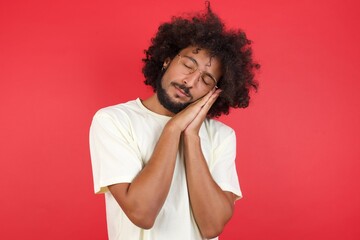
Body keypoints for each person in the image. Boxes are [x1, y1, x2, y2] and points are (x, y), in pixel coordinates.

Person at [89, 3, 259, 240]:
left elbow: (212, 227)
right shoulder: (114, 120)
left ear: (215, 92)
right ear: (167, 59)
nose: (189, 81)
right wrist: (173, 128)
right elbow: (142, 213)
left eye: (206, 80)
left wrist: (191, 137)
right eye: (188, 65)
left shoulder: (222, 136)